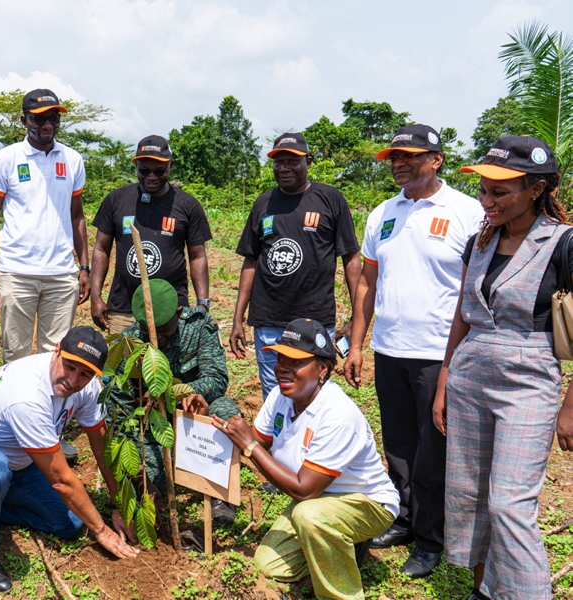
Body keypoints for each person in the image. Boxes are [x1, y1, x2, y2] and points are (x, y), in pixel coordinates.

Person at [433, 135, 573, 600]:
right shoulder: (481, 240)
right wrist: (445, 378)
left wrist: (570, 406)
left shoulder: (563, 244)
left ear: (535, 189)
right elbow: (462, 311)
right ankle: (485, 591)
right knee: (470, 493)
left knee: (510, 503)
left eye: (500, 191)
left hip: (528, 377)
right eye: (483, 190)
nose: (486, 201)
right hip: (470, 372)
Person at [344, 124, 483, 578]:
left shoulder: (466, 211)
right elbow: (367, 281)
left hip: (439, 355)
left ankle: (431, 539)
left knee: (433, 451)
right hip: (390, 349)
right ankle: (404, 519)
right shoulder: (383, 213)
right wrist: (358, 344)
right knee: (400, 446)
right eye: (393, 158)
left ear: (436, 159)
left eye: (408, 156)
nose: (398, 164)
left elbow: (474, 287)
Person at [0, 326, 138, 593]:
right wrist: (102, 531)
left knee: (69, 523)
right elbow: (61, 480)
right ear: (56, 349)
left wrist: (119, 503)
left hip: (15, 462)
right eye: (69, 367)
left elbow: (100, 444)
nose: (73, 380)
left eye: (84, 374)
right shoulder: (27, 395)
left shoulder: (89, 386)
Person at [213, 318, 398, 600]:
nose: (283, 368)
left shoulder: (337, 415)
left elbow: (303, 489)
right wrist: (210, 423)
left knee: (308, 516)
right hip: (319, 501)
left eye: (296, 362)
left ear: (322, 369)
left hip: (366, 502)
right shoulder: (280, 397)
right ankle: (340, 544)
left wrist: (250, 445)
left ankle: (342, 593)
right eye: (280, 358)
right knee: (269, 563)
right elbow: (253, 442)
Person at [231, 132, 360, 400]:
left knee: (315, 394)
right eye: (279, 162)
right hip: (269, 321)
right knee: (275, 394)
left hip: (315, 320)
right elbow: (250, 261)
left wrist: (355, 318)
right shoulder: (263, 203)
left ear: (308, 162)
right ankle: (280, 442)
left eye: (292, 161)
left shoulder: (330, 199)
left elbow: (350, 259)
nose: (284, 168)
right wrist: (237, 319)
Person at [108, 280, 240, 523]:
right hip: (153, 427)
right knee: (149, 482)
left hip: (195, 414)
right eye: (150, 334)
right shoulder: (129, 343)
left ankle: (222, 496)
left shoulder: (199, 326)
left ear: (178, 313)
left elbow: (217, 377)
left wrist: (178, 393)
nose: (159, 340)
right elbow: (119, 406)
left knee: (226, 410)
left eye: (165, 332)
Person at [0, 89, 91, 362]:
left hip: (62, 275)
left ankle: (48, 407)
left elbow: (77, 216)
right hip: (16, 273)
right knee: (15, 356)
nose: (47, 126)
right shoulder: (6, 159)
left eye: (53, 119)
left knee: (54, 358)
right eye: (38, 119)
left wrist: (84, 267)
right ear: (23, 120)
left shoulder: (72, 160)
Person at [91, 135, 212, 334]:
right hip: (124, 310)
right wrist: (96, 297)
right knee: (124, 364)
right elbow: (101, 249)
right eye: (144, 170)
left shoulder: (187, 205)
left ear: (170, 166)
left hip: (172, 312)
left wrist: (202, 303)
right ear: (137, 166)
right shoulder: (116, 200)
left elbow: (198, 256)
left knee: (167, 365)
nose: (152, 177)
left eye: (159, 171)